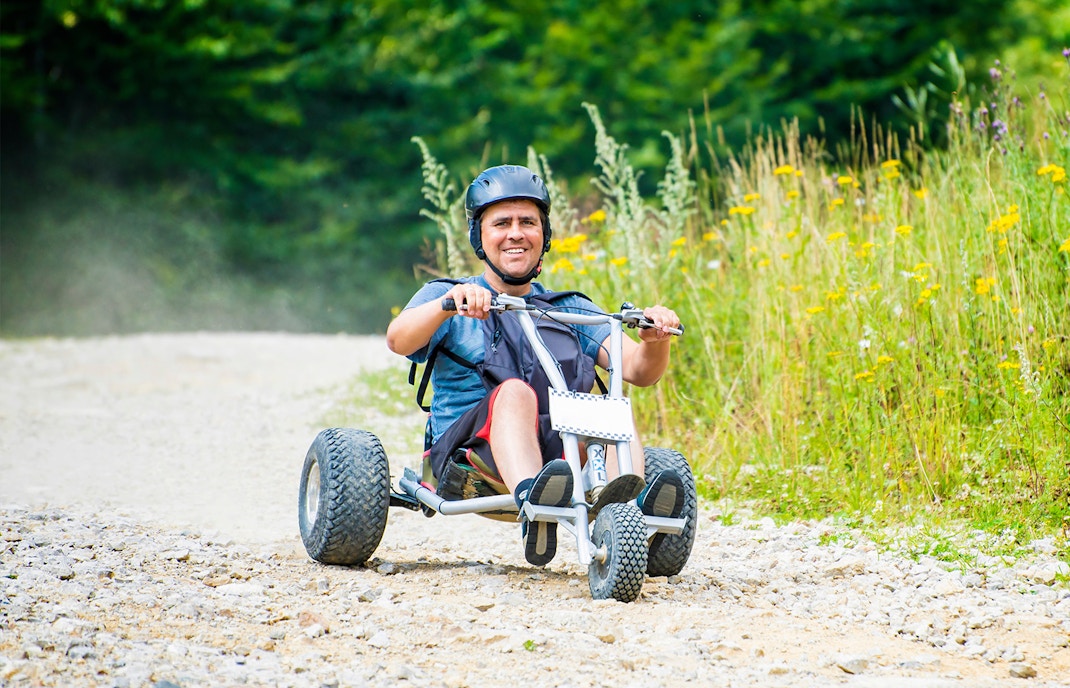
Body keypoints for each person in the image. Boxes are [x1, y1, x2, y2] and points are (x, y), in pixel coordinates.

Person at [386, 164, 684, 566]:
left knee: (609, 407)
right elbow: (398, 338)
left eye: (528, 222)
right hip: (470, 456)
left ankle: (624, 511)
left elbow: (637, 370)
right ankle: (534, 503)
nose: (515, 233)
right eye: (501, 223)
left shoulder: (568, 309)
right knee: (513, 392)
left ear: (543, 235)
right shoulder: (449, 294)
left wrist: (655, 339)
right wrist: (447, 306)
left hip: (555, 456)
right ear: (480, 236)